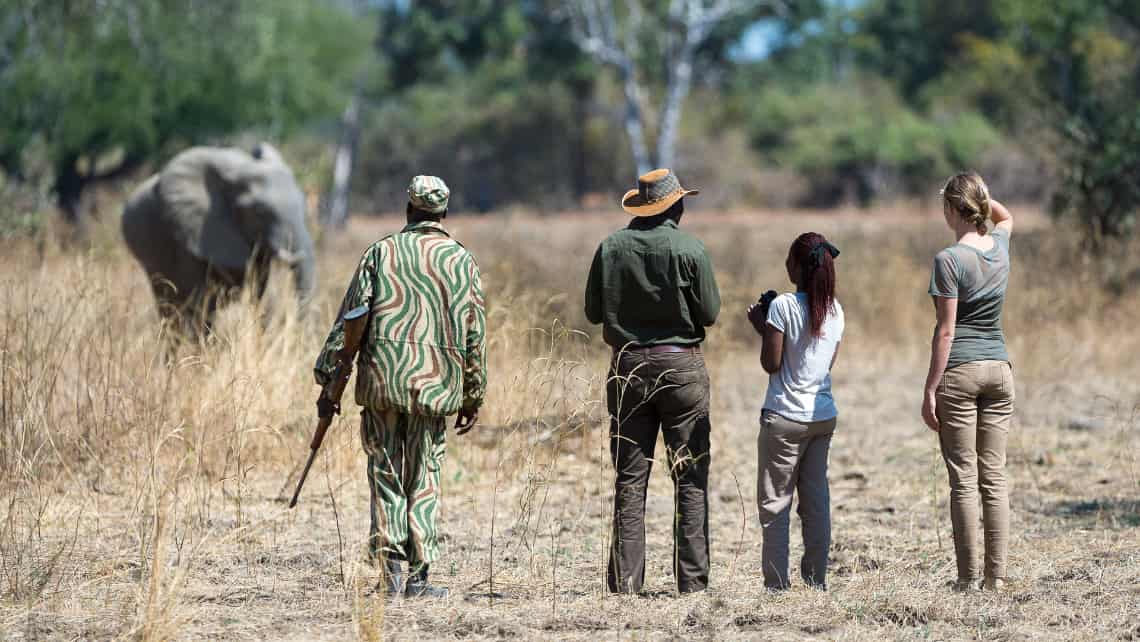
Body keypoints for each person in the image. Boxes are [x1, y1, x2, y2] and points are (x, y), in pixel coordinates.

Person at [314, 175, 487, 599]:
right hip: (436, 387)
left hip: (381, 384)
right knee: (424, 476)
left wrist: (327, 375)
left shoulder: (380, 253)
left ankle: (391, 572)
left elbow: (350, 319)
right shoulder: (461, 261)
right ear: (444, 214)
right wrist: (472, 394)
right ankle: (419, 578)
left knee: (386, 474)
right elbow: (474, 335)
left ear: (408, 209)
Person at [584, 168, 721, 595]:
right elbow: (710, 314)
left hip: (627, 368)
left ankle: (626, 584)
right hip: (681, 369)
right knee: (690, 476)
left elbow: (592, 312)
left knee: (630, 477)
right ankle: (693, 583)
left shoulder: (611, 248)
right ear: (676, 206)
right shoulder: (690, 248)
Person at [921, 172, 1015, 592]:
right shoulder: (1000, 245)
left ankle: (967, 578)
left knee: (963, 478)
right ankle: (996, 578)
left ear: (952, 211)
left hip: (960, 372)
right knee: (993, 477)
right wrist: (982, 195)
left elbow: (946, 331)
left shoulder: (949, 259)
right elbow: (1005, 215)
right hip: (1000, 369)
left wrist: (930, 388)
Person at [746, 233, 844, 591]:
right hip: (821, 416)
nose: (786, 265)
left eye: (789, 260)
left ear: (799, 267)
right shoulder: (836, 310)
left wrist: (763, 328)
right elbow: (824, 364)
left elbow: (772, 364)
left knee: (775, 506)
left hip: (785, 418)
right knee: (815, 504)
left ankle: (776, 586)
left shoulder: (782, 306)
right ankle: (816, 580)